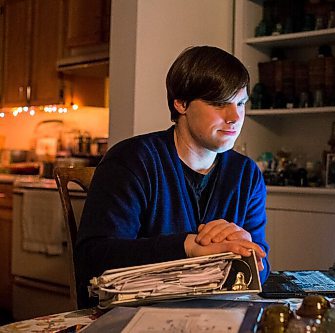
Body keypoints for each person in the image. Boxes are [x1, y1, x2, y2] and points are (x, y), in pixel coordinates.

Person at [75, 46, 270, 308]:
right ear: (181, 103)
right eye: (219, 103)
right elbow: (94, 257)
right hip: (134, 316)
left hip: (216, 316)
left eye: (240, 103)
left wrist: (246, 250)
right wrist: (188, 247)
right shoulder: (132, 160)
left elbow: (262, 268)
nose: (235, 117)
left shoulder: (246, 174)